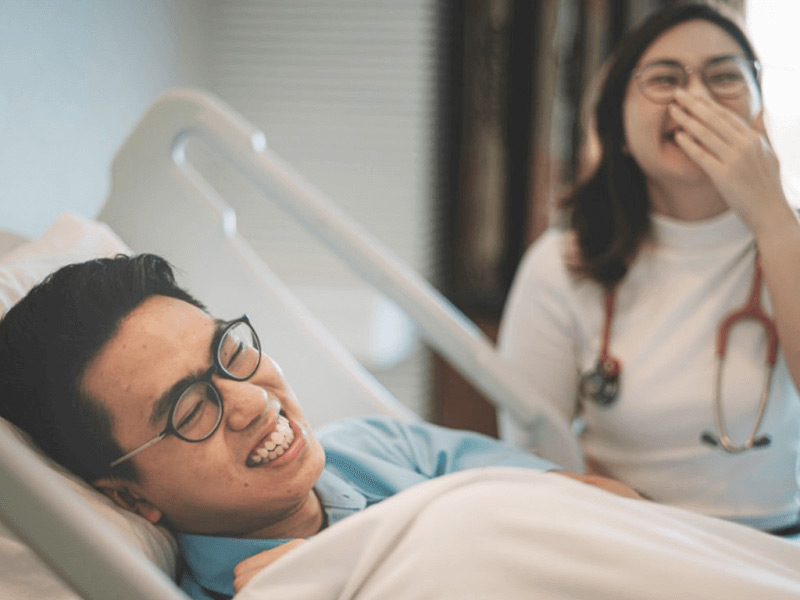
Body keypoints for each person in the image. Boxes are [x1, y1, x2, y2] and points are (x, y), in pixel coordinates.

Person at [0, 253, 640, 600]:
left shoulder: (381, 446)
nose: (250, 401)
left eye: (231, 351)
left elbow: (620, 514)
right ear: (131, 496)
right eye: (192, 410)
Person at [498, 1, 800, 534]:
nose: (696, 98)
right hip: (627, 542)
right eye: (664, 79)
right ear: (617, 129)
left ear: (758, 114)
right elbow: (528, 457)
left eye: (724, 76)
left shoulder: (788, 238)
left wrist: (773, 220)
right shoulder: (561, 266)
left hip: (777, 549)